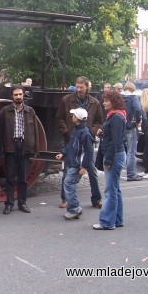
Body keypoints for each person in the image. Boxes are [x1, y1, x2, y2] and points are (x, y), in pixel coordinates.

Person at [55, 76, 103, 209]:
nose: (79, 89)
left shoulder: (94, 102)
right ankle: (65, 198)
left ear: (87, 87)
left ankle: (96, 198)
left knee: (92, 170)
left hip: (87, 140)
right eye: (77, 86)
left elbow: (99, 121)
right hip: (71, 140)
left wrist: (91, 132)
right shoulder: (67, 100)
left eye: (82, 87)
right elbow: (59, 119)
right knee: (68, 170)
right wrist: (67, 133)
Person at [0, 84, 39, 215]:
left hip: (25, 146)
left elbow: (35, 131)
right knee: (10, 177)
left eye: (20, 94)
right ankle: (9, 203)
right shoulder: (5, 111)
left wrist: (35, 149)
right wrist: (0, 148)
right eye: (15, 95)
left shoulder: (30, 111)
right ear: (12, 96)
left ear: (23, 95)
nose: (18, 97)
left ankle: (22, 203)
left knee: (23, 178)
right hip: (11, 146)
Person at [93, 90, 126, 230]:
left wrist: (108, 159)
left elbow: (116, 141)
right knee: (115, 189)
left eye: (107, 100)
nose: (104, 102)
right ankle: (117, 219)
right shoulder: (114, 116)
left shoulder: (116, 117)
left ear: (114, 102)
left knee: (110, 190)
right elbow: (112, 137)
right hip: (116, 154)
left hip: (115, 155)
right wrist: (103, 133)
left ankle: (107, 222)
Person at [55, 107, 94, 220]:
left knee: (68, 185)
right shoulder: (77, 130)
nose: (72, 117)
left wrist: (84, 166)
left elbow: (89, 152)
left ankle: (74, 209)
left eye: (73, 115)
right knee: (69, 185)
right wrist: (63, 153)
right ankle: (74, 209)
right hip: (73, 163)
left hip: (76, 165)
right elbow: (70, 145)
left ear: (77, 118)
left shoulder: (84, 133)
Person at [122, 81, 143, 181]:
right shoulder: (134, 98)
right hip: (130, 126)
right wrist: (137, 121)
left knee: (120, 150)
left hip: (120, 127)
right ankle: (131, 174)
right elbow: (138, 110)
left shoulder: (119, 97)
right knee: (131, 151)